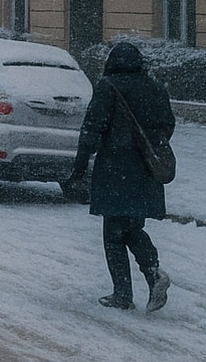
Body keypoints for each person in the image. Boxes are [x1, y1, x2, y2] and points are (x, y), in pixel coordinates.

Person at [69, 41, 175, 312]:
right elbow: (167, 126)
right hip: (145, 171)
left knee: (114, 233)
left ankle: (124, 294)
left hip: (116, 169)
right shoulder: (154, 88)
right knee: (131, 227)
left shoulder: (108, 87)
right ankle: (153, 274)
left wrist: (79, 169)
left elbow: (92, 129)